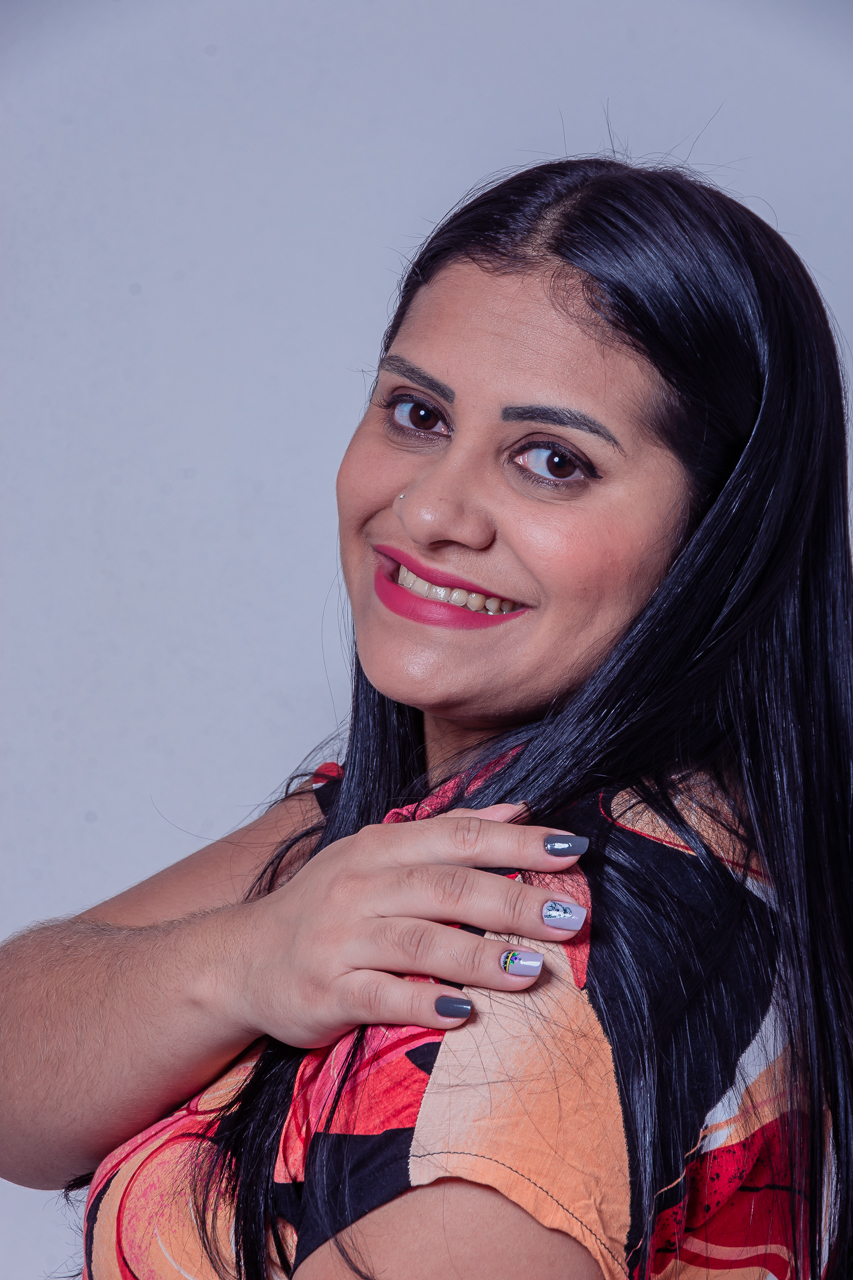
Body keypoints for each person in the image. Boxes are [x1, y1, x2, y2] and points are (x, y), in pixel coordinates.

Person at [2, 156, 851, 1279]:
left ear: (718, 534)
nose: (431, 508)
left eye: (552, 461)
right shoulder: (428, 830)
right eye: (418, 413)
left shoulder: (525, 934)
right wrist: (244, 958)